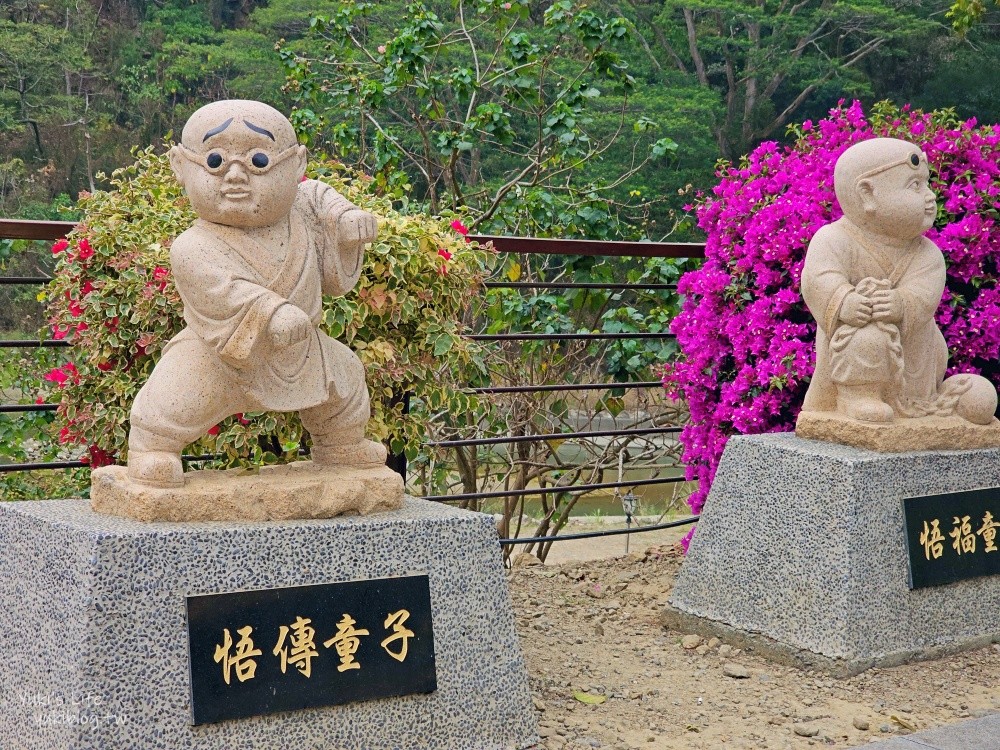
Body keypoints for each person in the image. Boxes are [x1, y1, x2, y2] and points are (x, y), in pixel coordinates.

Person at [127, 100, 385, 487]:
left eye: (258, 160)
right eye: (215, 161)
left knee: (345, 374)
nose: (235, 175)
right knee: (175, 399)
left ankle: (341, 444)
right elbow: (225, 293)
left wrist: (348, 222)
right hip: (218, 355)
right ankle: (151, 448)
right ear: (180, 167)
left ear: (296, 165)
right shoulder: (192, 245)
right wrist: (272, 312)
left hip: (300, 347)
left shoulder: (304, 205)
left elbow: (324, 200)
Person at [799, 137, 995, 425]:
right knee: (867, 335)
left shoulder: (927, 255)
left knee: (982, 398)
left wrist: (901, 304)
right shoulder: (833, 240)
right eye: (915, 186)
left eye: (926, 184)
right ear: (867, 194)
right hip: (857, 344)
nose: (929, 196)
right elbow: (818, 280)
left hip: (916, 357)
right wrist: (844, 301)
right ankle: (858, 395)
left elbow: (923, 297)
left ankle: (929, 398)